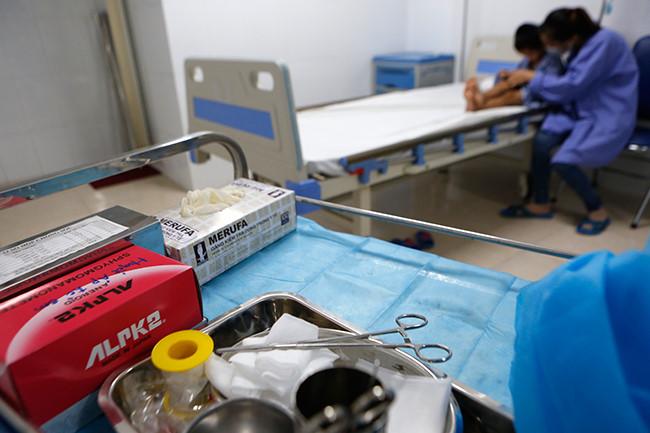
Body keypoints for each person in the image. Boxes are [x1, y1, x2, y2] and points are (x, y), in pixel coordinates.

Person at [500, 8, 639, 235]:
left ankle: (597, 211)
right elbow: (567, 85)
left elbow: (572, 85)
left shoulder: (605, 42)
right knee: (542, 142)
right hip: (578, 106)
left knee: (564, 161)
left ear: (571, 38)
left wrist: (531, 78)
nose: (550, 49)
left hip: (607, 113)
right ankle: (541, 203)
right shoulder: (579, 44)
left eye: (552, 43)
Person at [464, 23, 563, 111]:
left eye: (531, 53)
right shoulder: (527, 60)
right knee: (505, 84)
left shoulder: (552, 59)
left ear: (541, 46)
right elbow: (519, 73)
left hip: (538, 93)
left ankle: (481, 106)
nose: (529, 57)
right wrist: (508, 75)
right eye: (525, 54)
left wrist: (527, 78)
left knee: (511, 96)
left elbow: (551, 82)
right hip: (523, 87)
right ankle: (482, 96)